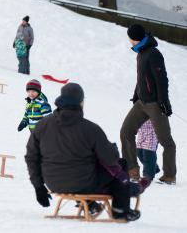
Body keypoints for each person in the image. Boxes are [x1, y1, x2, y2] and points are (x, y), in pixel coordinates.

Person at [25, 83, 146, 222]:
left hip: (53, 182)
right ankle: (120, 210)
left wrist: (38, 187)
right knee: (121, 164)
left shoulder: (42, 125)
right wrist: (111, 149)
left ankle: (92, 205)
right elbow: (111, 159)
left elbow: (31, 157)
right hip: (83, 183)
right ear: (81, 102)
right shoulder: (90, 129)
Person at [119, 24, 175, 185]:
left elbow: (161, 80)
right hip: (141, 103)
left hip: (155, 104)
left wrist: (164, 102)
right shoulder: (141, 53)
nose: (129, 40)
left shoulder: (153, 54)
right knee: (126, 131)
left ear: (134, 38)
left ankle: (169, 175)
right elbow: (142, 78)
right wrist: (136, 96)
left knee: (166, 141)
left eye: (129, 37)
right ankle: (132, 170)